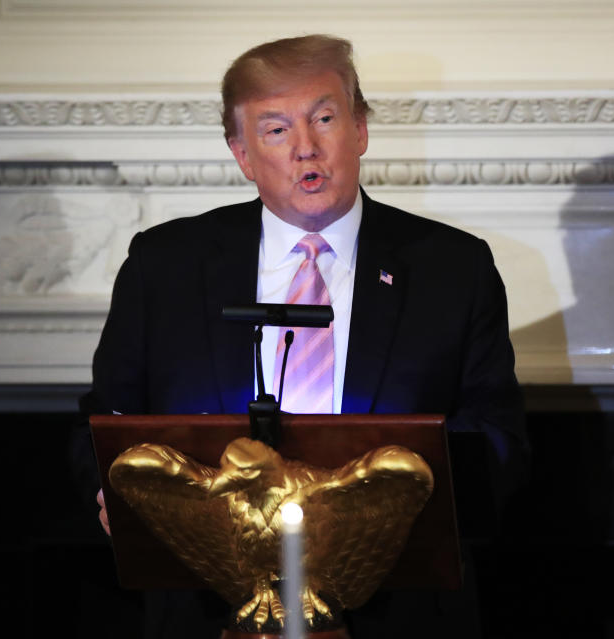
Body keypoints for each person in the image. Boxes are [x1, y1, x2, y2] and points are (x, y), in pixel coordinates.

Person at [78, 34, 527, 639]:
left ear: (360, 131)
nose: (306, 148)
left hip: (400, 610)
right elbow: (103, 419)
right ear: (242, 153)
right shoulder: (166, 265)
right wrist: (110, 491)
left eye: (324, 118)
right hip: (205, 607)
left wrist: (410, 501)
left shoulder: (453, 268)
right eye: (276, 130)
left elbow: (499, 439)